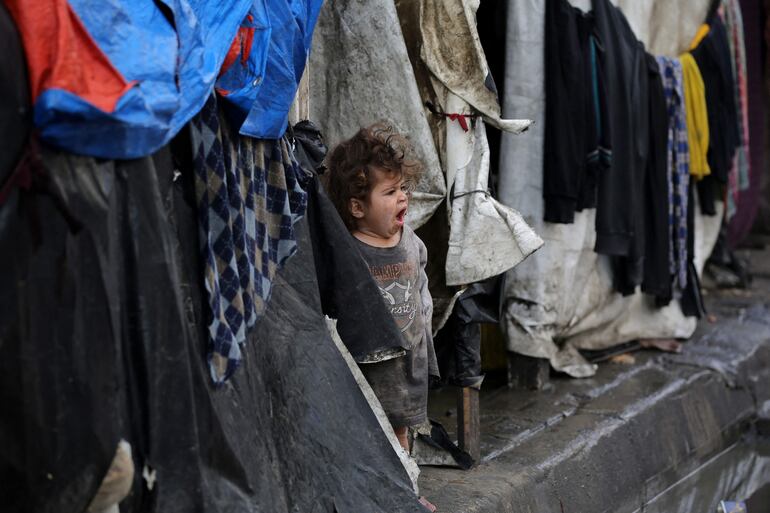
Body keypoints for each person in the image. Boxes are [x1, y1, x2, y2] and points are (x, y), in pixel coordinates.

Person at [323, 123, 439, 512]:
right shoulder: (352, 253)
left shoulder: (409, 241)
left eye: (402, 188)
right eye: (389, 192)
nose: (402, 198)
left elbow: (420, 280)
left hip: (407, 364)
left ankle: (406, 494)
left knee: (402, 430)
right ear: (357, 207)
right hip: (368, 367)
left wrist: (424, 320)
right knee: (369, 432)